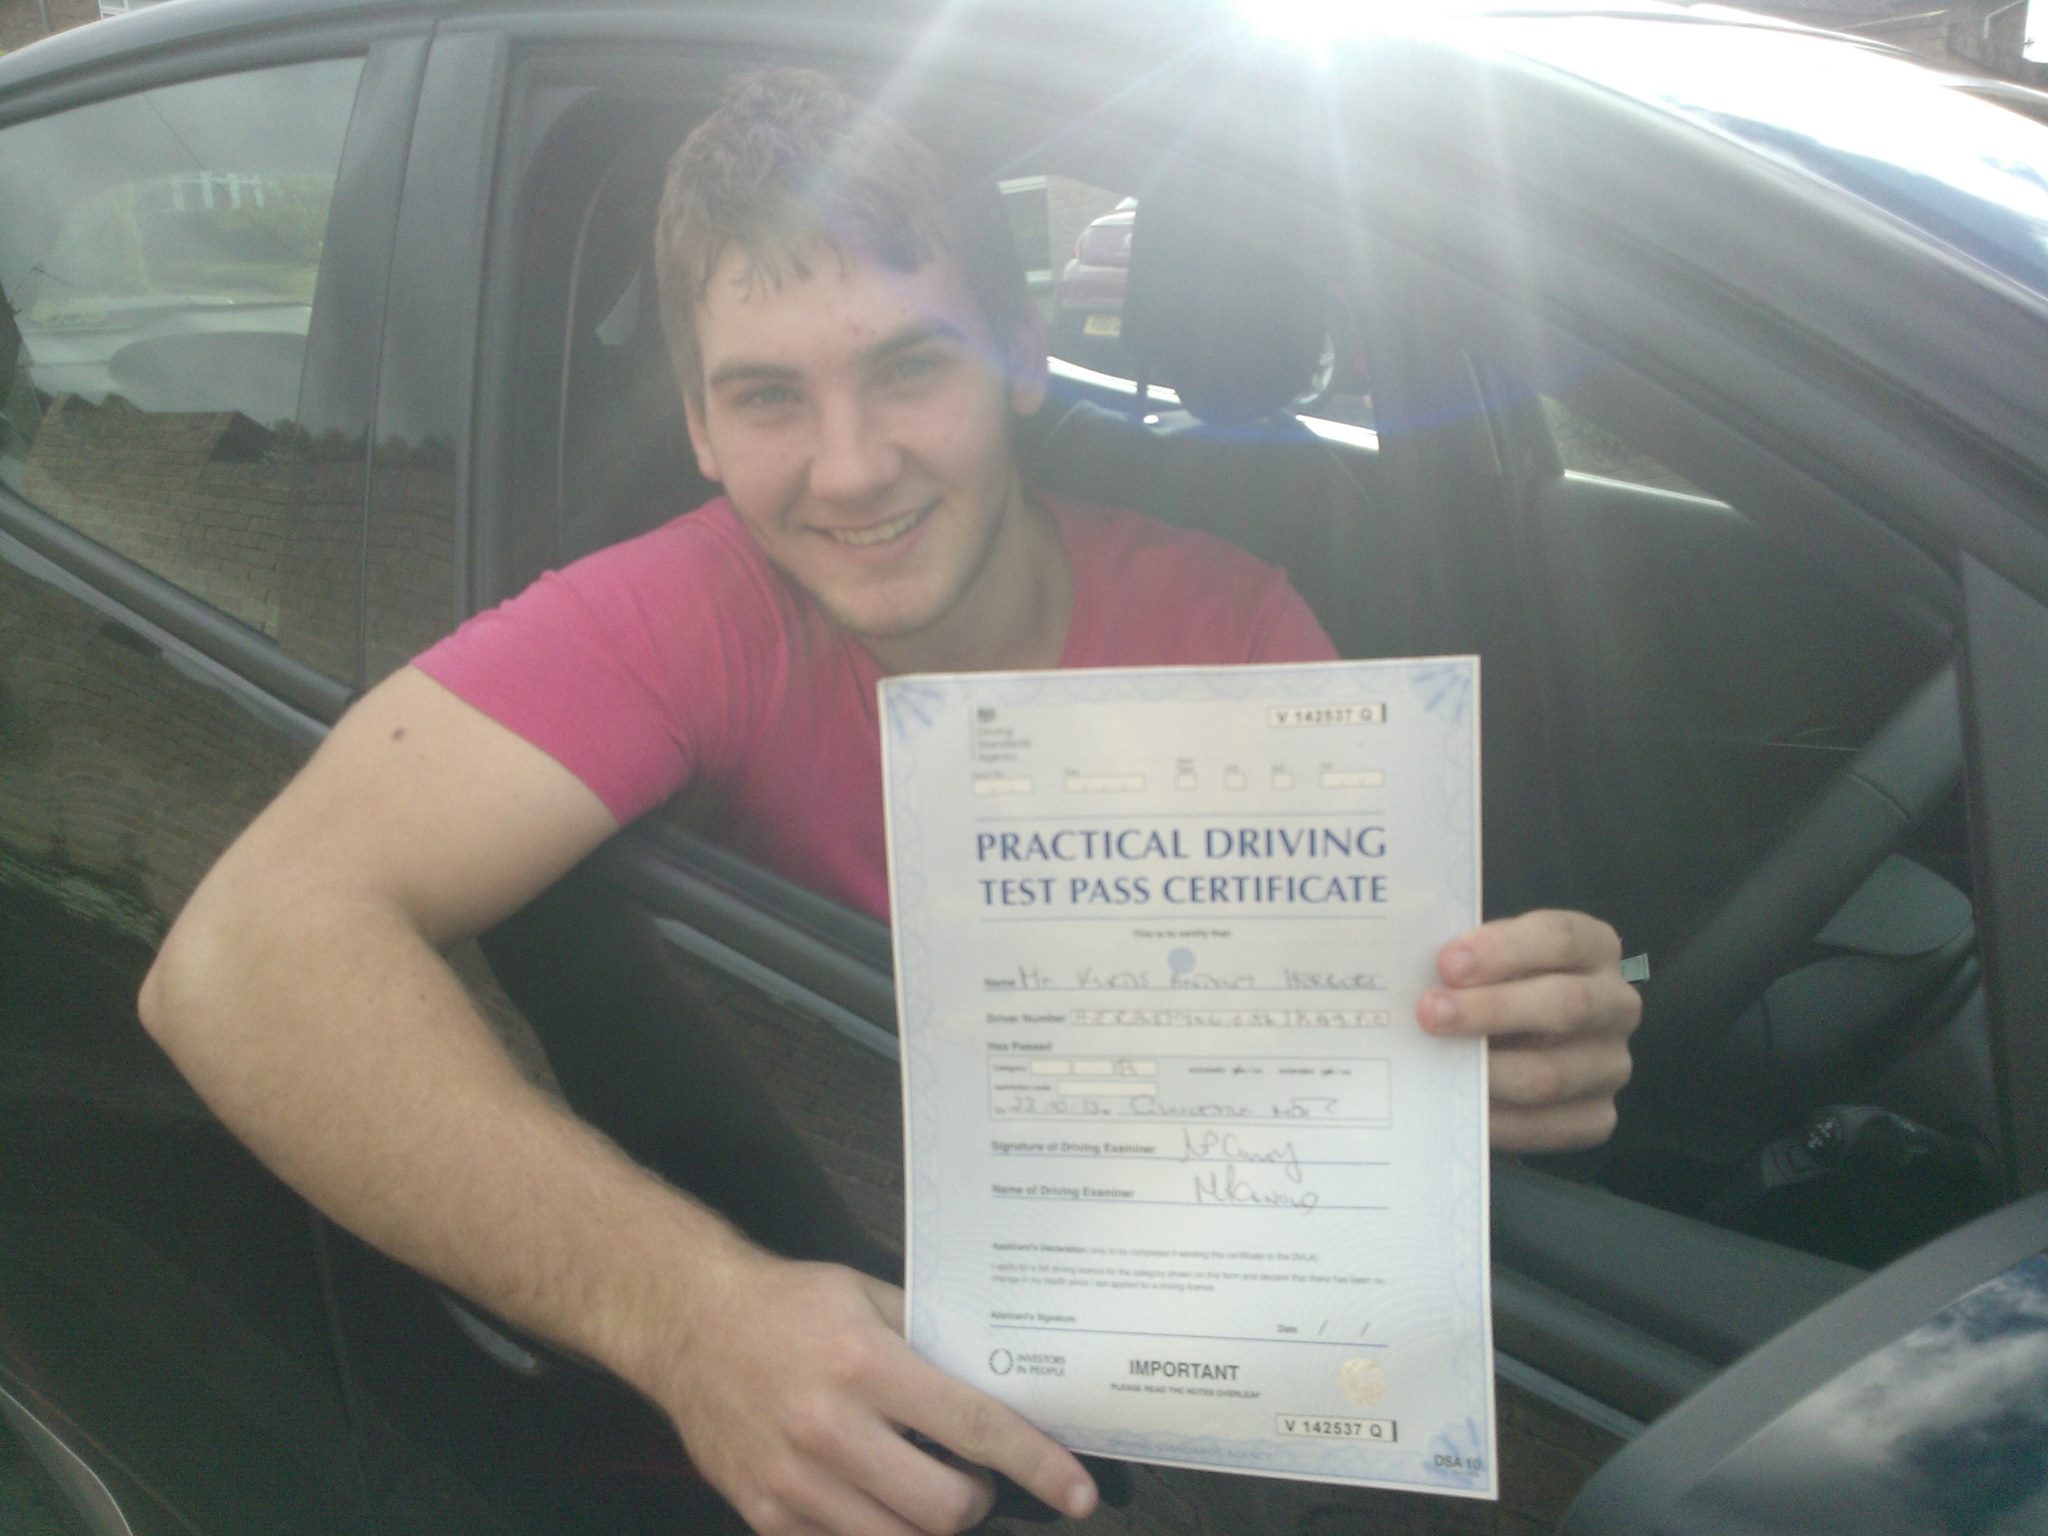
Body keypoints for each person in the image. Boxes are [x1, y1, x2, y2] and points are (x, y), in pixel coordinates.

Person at [139, 67, 1640, 1536]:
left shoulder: (1233, 629)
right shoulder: (692, 610)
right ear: (700, 428)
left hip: (1192, 1384)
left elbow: (1354, 1068)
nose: (850, 470)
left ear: (1023, 360)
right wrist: (692, 1320)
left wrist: (1494, 1050)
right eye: (769, 397)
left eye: (913, 369)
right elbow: (238, 958)